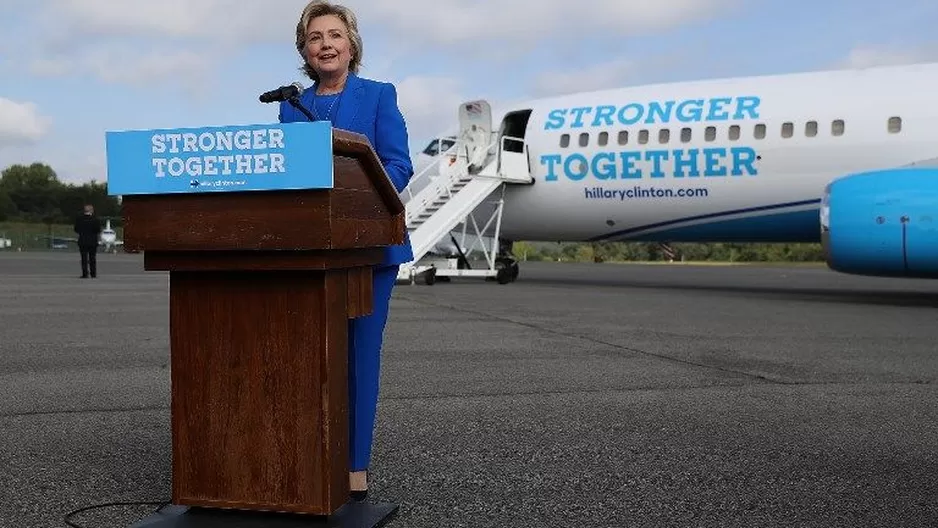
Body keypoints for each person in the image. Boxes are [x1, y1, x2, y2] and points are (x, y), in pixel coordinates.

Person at [278, 0, 414, 501]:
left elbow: (398, 166)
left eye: (335, 34)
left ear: (351, 44)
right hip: (311, 250)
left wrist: (351, 190)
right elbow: (288, 173)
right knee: (311, 356)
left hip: (371, 250)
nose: (326, 44)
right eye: (316, 38)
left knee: (359, 355)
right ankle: (311, 451)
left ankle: (355, 464)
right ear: (305, 51)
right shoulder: (290, 106)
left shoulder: (379, 95)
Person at [73, 204, 102, 279]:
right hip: (92, 241)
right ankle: (93, 273)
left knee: (83, 258)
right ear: (91, 210)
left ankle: (85, 273)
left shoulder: (79, 219)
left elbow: (76, 229)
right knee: (92, 258)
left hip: (82, 241)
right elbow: (98, 230)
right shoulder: (95, 219)